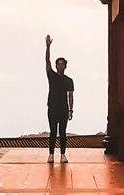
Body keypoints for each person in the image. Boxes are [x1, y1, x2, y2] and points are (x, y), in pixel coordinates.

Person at [44, 34, 74, 163]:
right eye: (58, 64)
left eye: (62, 64)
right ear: (56, 66)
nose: (60, 66)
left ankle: (62, 155)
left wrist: (71, 110)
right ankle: (51, 155)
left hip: (63, 108)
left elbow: (70, 95)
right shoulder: (52, 76)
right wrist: (48, 47)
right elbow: (47, 61)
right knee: (52, 132)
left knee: (62, 132)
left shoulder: (69, 80)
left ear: (65, 66)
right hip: (52, 107)